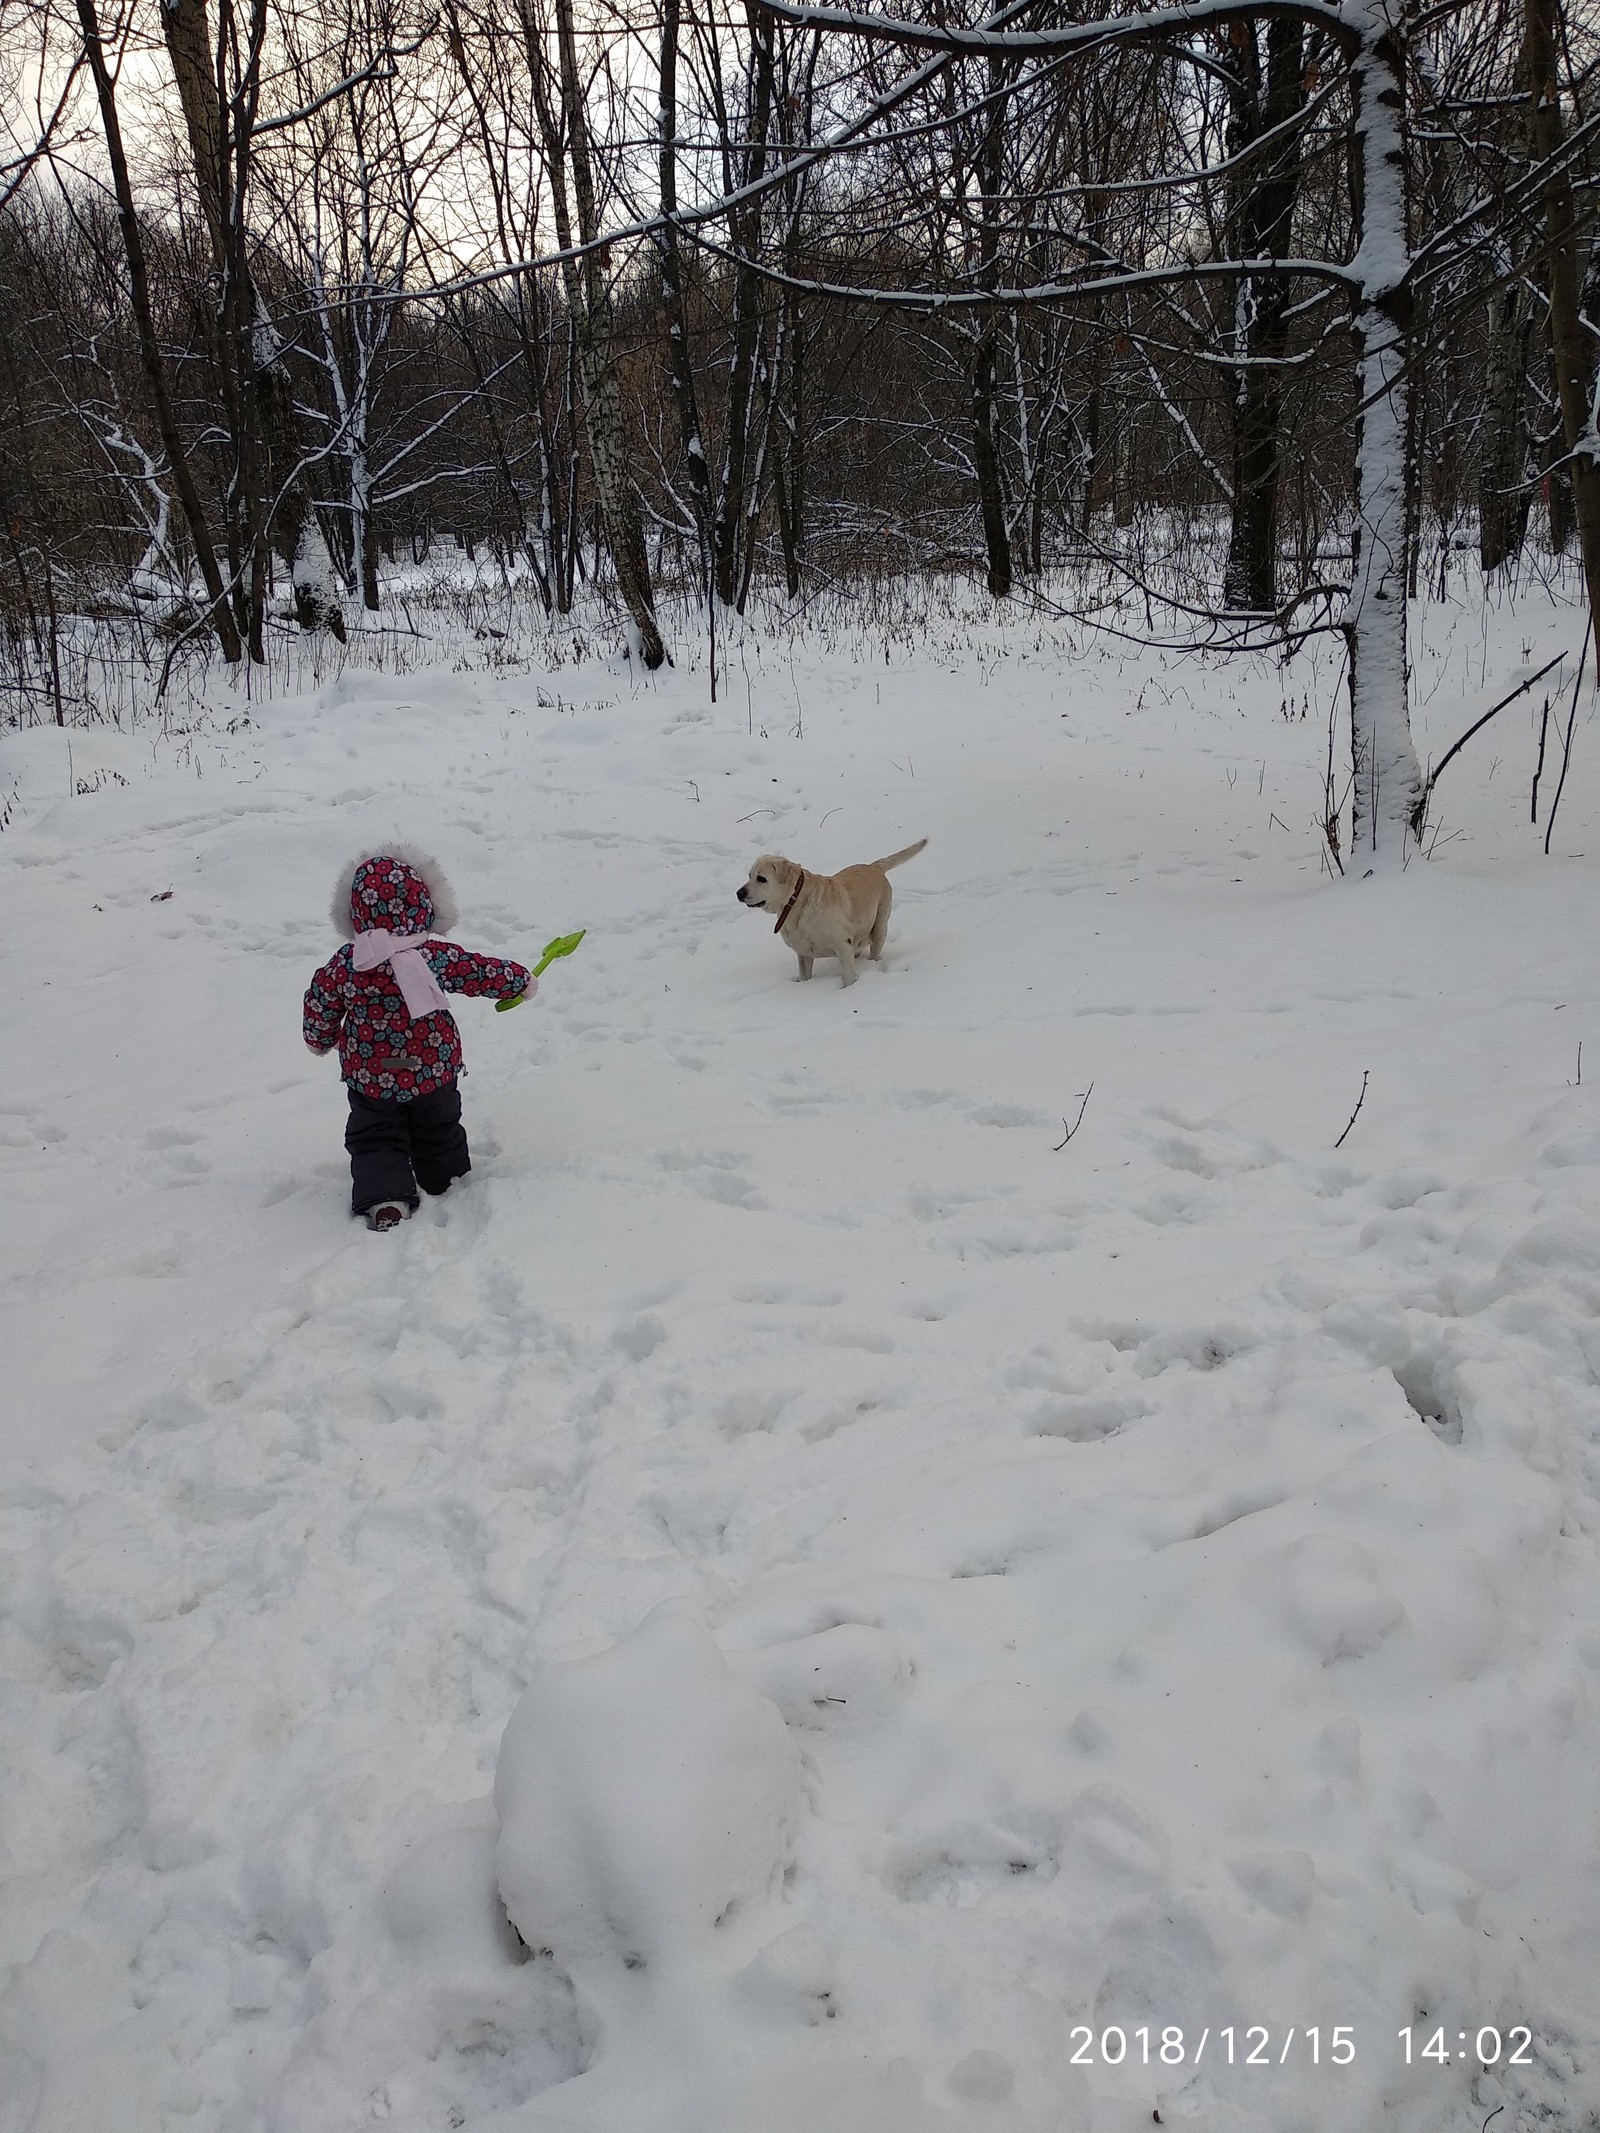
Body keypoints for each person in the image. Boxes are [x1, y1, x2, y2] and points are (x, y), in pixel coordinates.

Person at [303, 848, 532, 1230]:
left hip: (371, 1074)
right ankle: (445, 1180)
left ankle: (385, 1200)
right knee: (438, 1125)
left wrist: (319, 1038)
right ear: (424, 903)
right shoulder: (433, 955)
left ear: (354, 912)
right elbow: (476, 971)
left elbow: (320, 1001)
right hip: (432, 1067)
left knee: (375, 1134)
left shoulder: (348, 964)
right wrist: (519, 980)